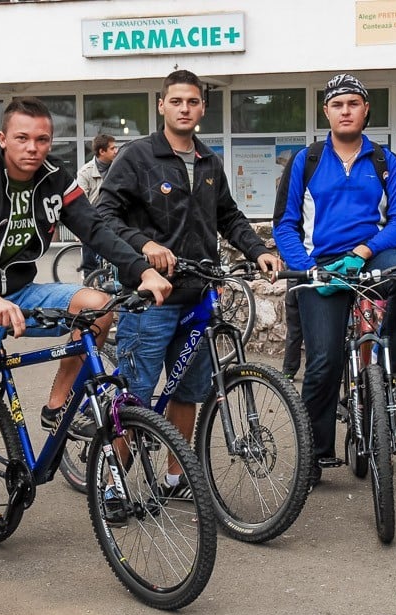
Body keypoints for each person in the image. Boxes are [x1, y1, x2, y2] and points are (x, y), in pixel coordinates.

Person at [0, 97, 171, 595]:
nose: (33, 148)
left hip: (21, 293)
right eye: (22, 138)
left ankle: (58, 403)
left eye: (42, 139)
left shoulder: (56, 179)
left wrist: (141, 268)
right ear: (2, 138)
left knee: (98, 304)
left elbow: (96, 229)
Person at [97, 69, 281, 498]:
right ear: (161, 105)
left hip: (199, 295)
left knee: (188, 392)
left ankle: (175, 477)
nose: (185, 108)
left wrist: (258, 250)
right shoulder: (137, 157)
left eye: (193, 102)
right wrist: (144, 246)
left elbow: (230, 217)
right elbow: (105, 215)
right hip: (152, 297)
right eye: (176, 101)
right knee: (135, 395)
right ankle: (111, 483)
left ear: (202, 108)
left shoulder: (208, 161)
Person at [273, 72, 396, 487]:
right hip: (321, 264)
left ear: (365, 109)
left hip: (370, 254)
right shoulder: (305, 160)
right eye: (338, 104)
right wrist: (305, 266)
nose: (346, 110)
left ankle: (387, 360)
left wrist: (363, 252)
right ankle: (315, 454)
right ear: (326, 111)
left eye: (353, 103)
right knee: (323, 363)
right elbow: (284, 225)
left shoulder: (383, 160)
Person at [76, 134, 119, 277]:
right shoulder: (85, 172)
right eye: (112, 148)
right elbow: (80, 201)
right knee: (89, 238)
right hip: (93, 216)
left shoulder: (119, 167)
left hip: (113, 214)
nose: (116, 151)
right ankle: (89, 276)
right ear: (102, 151)